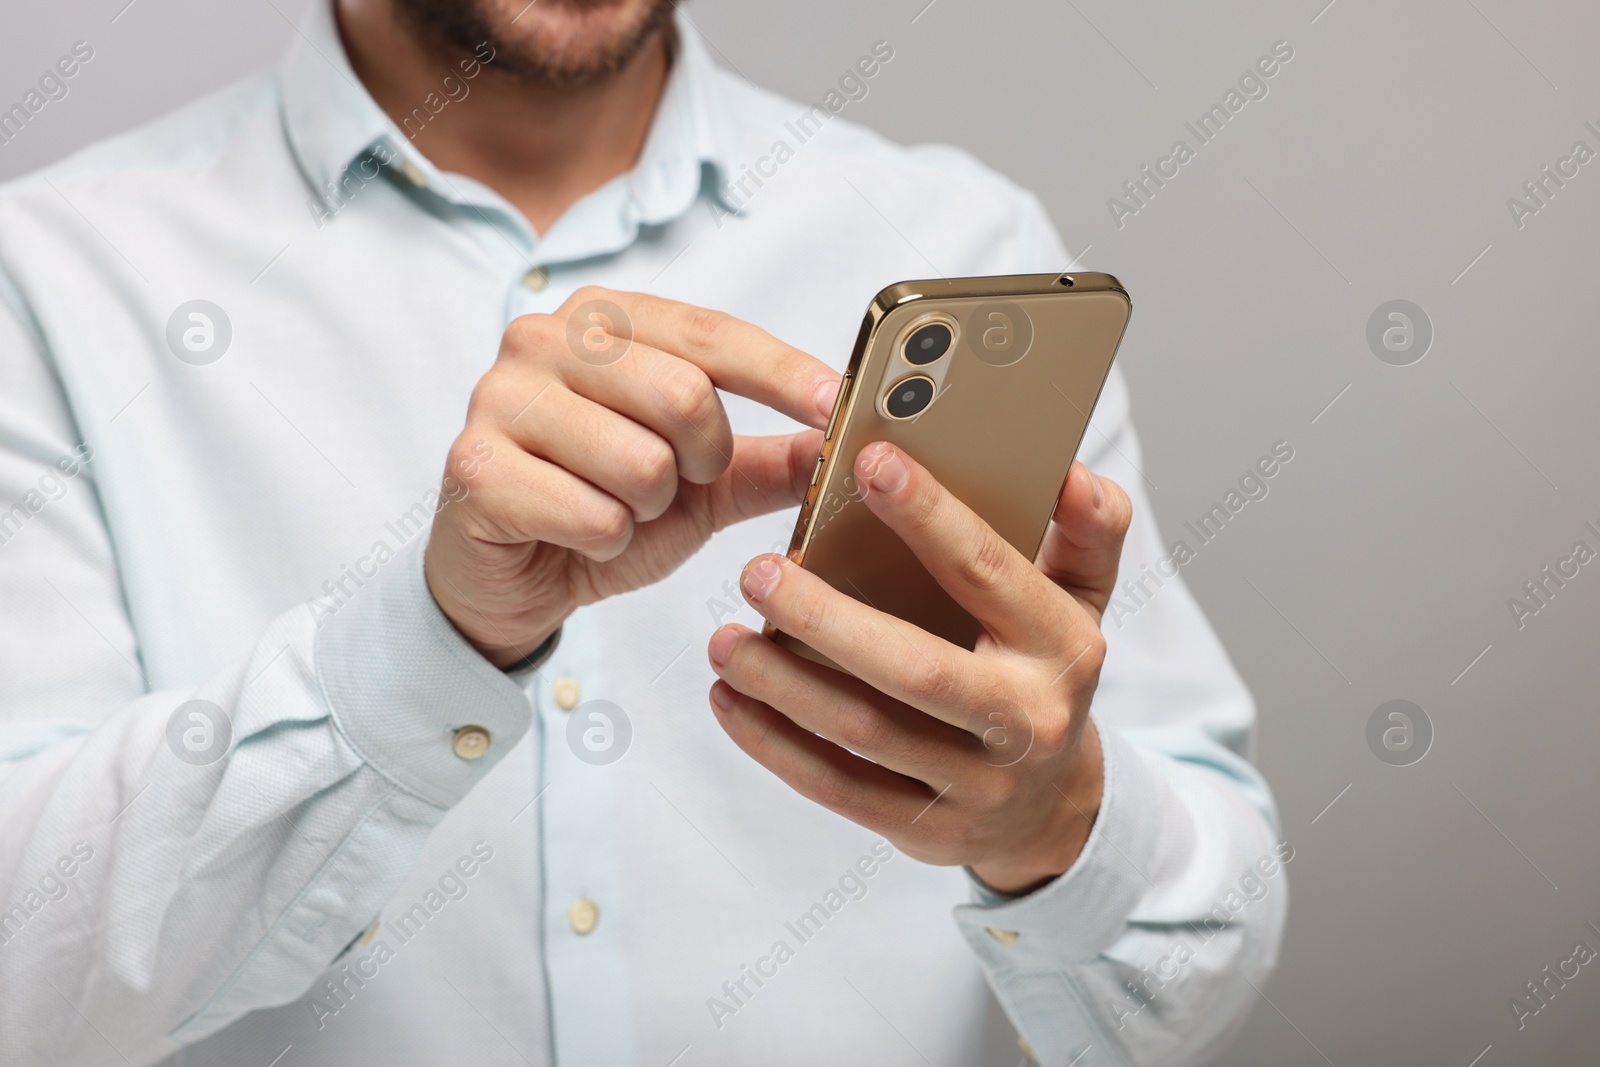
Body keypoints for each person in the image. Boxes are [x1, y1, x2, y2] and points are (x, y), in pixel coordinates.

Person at [0, 0, 1286, 1063]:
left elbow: (1203, 962)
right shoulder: (50, 277)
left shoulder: (960, 240)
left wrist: (1053, 829)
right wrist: (425, 644)